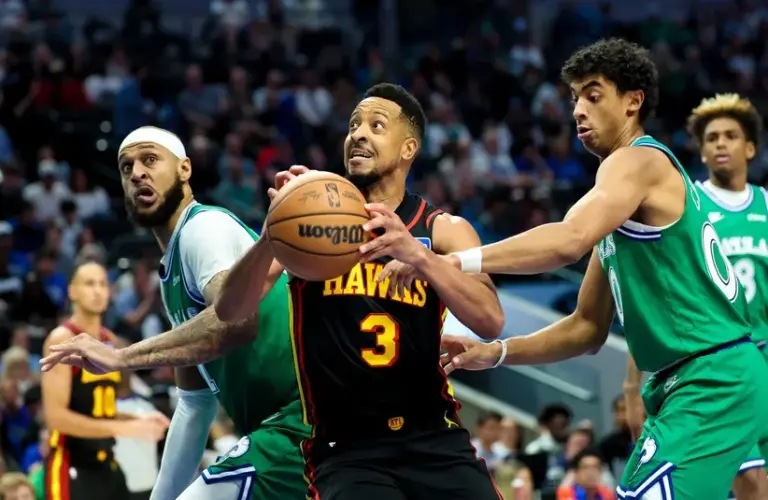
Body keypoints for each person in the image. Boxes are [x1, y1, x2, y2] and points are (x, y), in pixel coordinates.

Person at [422, 39, 768, 499]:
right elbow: (586, 328)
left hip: (712, 378)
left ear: (632, 101)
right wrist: (496, 352)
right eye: (574, 99)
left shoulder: (639, 159)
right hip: (693, 380)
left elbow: (567, 240)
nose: (578, 110)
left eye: (593, 94)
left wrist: (453, 261)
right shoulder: (616, 208)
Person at [215, 83, 505, 500]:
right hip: (347, 449)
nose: (359, 134)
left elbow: (490, 320)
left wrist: (420, 257)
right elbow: (229, 309)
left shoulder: (442, 229)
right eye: (354, 125)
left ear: (408, 149)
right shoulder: (313, 222)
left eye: (376, 125)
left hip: (433, 437)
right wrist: (270, 234)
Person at [40, 126, 309, 499]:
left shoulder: (203, 228)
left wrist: (120, 358)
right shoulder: (172, 276)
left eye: (150, 159)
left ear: (184, 169)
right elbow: (195, 406)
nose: (136, 173)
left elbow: (235, 322)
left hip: (301, 419)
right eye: (126, 167)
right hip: (280, 432)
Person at [624, 94, 768, 500]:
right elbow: (651, 299)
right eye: (712, 137)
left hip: (760, 367)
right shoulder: (688, 206)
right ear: (701, 151)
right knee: (750, 484)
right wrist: (632, 387)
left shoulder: (767, 208)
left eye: (731, 136)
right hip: (716, 368)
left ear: (751, 148)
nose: (721, 143)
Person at [41, 261, 169, 500]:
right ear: (72, 291)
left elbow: (102, 411)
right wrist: (126, 428)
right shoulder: (61, 338)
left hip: (107, 461)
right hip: (72, 464)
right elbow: (56, 418)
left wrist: (139, 420)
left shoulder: (111, 341)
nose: (97, 290)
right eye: (89, 283)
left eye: (102, 284)